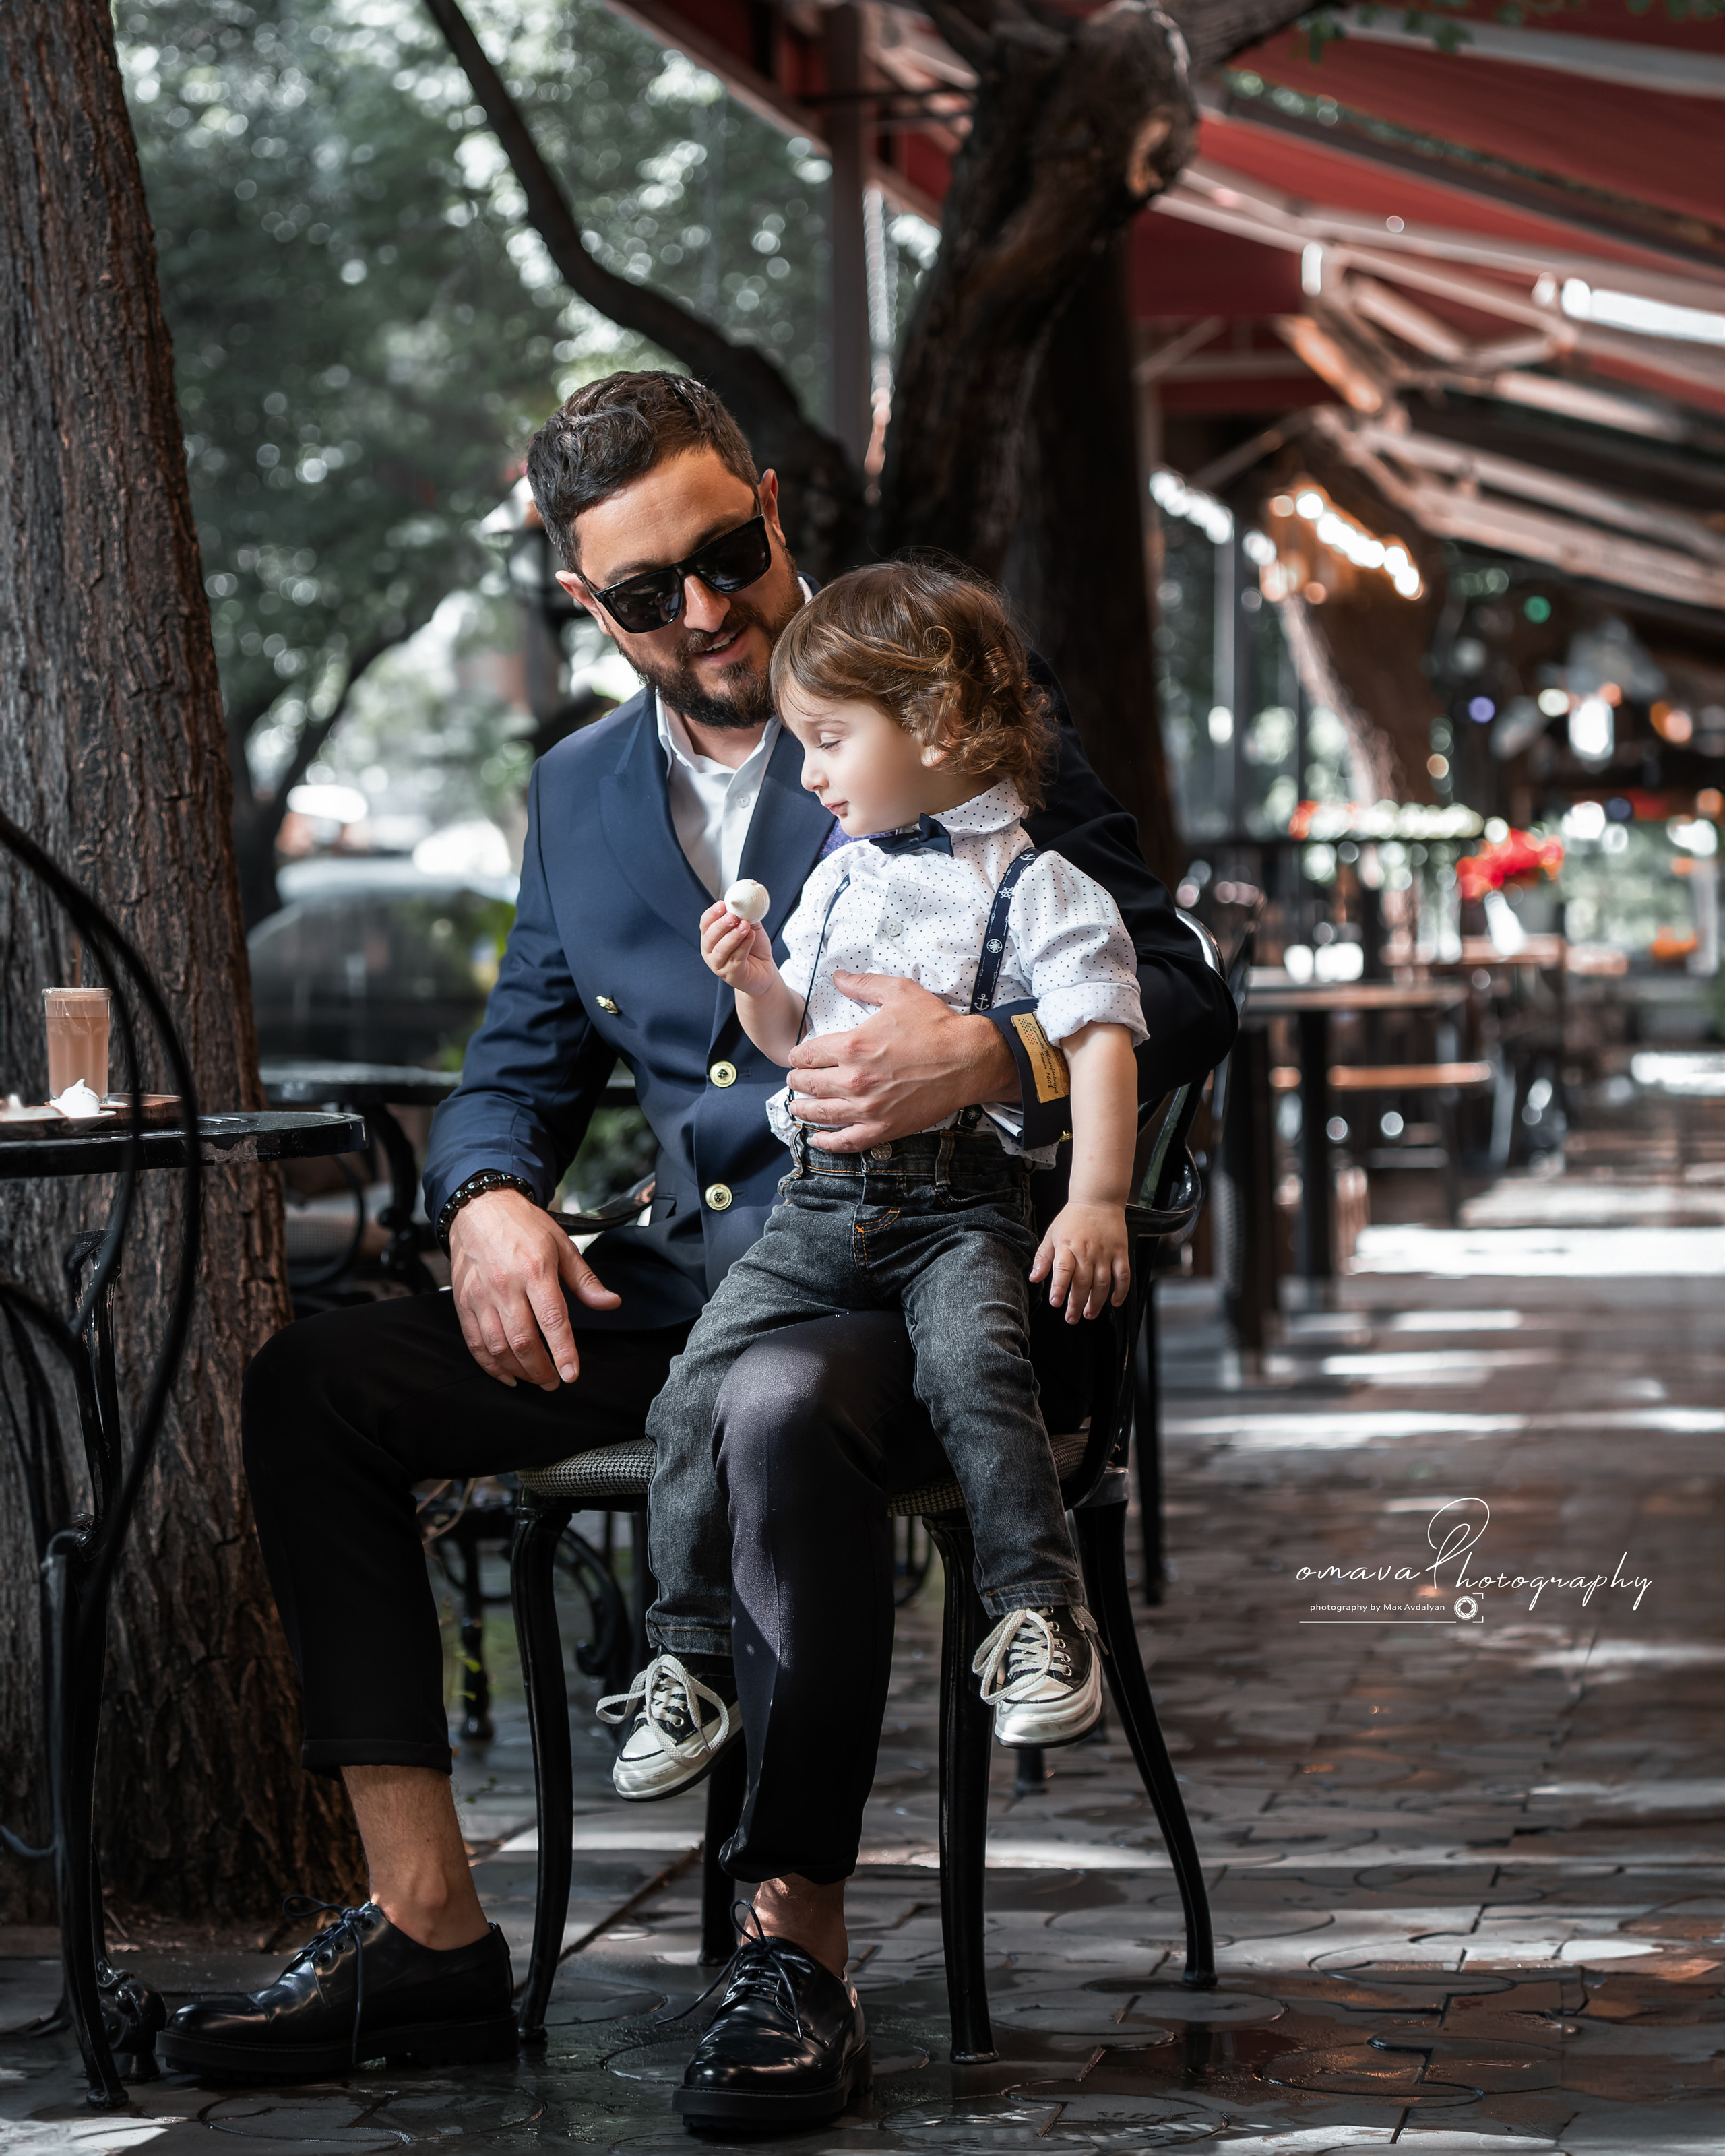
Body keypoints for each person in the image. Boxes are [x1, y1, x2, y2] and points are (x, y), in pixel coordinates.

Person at [158, 371, 1236, 2114]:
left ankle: (786, 1946)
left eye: (726, 554)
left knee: (777, 1408)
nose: (708, 610)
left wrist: (1000, 1051)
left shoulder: (935, 702)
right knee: (319, 1381)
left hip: (923, 1278)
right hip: (695, 1280)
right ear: (588, 606)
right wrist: (490, 1194)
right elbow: (517, 1061)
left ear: (774, 507)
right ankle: (426, 1927)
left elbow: (1176, 982)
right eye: (648, 592)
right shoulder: (579, 791)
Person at [613, 559, 1144, 1812]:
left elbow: (1100, 1037)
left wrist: (1096, 1199)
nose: (808, 776)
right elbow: (797, 1039)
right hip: (818, 1209)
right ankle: (689, 1655)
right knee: (693, 1389)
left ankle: (1037, 1614)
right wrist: (752, 978)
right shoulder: (845, 873)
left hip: (957, 1207)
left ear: (942, 726)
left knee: (977, 1377)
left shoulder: (1034, 881)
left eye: (831, 740)